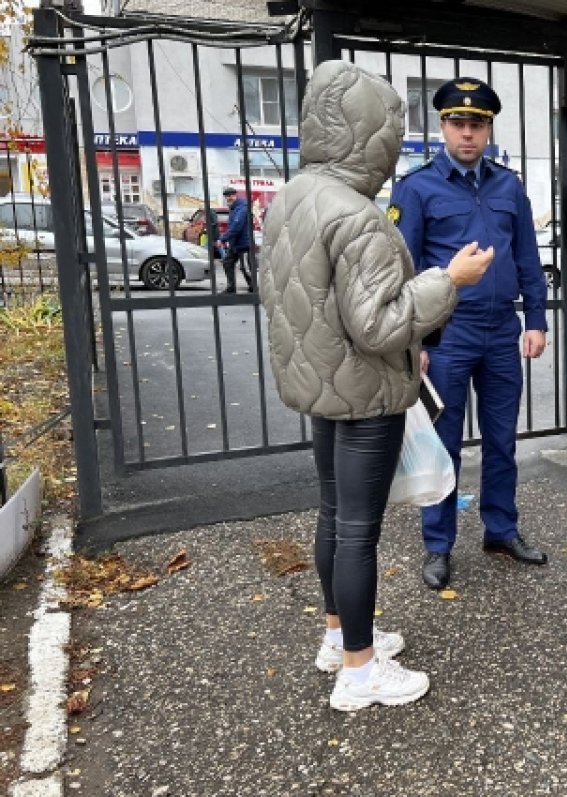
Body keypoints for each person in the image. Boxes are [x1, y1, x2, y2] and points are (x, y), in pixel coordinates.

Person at [258, 60, 493, 711]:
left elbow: (303, 300)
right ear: (369, 133)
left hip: (322, 386)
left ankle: (340, 636)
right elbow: (379, 322)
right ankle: (359, 671)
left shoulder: (292, 198)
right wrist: (450, 279)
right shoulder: (357, 215)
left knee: (335, 515)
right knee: (358, 529)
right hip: (364, 394)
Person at [389, 76, 550, 590]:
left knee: (503, 442)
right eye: (458, 123)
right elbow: (402, 271)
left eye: (477, 124)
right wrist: (411, 343)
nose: (467, 133)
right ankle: (438, 546)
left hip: (501, 330)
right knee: (444, 443)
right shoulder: (416, 189)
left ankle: (501, 529)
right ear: (442, 127)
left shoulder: (509, 185)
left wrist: (538, 320)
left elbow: (528, 257)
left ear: (488, 129)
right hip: (446, 335)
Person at [218, 186, 253, 293]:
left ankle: (254, 287)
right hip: (235, 243)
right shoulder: (234, 209)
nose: (229, 198)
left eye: (231, 196)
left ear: (235, 195)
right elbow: (232, 226)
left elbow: (237, 226)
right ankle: (231, 288)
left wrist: (223, 239)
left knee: (245, 267)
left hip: (243, 244)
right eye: (227, 196)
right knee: (227, 262)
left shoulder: (242, 207)